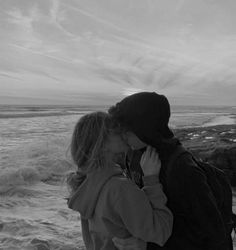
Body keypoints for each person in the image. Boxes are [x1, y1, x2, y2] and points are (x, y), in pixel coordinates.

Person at [108, 92, 230, 250]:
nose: (123, 136)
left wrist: (148, 246)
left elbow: (213, 235)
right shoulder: (133, 154)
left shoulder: (182, 169)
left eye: (126, 130)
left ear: (143, 127)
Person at [66, 111, 173, 250]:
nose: (124, 134)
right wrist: (152, 181)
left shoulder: (84, 185)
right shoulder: (120, 189)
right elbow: (160, 232)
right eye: (117, 131)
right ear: (103, 143)